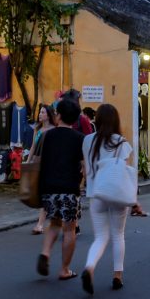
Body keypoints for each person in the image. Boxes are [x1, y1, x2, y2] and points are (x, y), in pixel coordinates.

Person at [79, 104, 134, 295]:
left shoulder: (87, 141)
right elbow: (125, 172)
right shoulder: (121, 142)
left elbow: (86, 168)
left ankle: (90, 267)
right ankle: (117, 275)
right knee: (118, 235)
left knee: (101, 237)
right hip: (117, 194)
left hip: (96, 193)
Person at [36, 99, 84, 280]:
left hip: (50, 187)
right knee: (69, 229)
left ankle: (46, 252)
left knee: (54, 223)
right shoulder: (79, 138)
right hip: (69, 189)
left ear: (60, 115)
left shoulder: (48, 136)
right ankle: (64, 269)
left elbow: (42, 162)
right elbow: (82, 165)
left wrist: (41, 189)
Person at [28, 104, 56, 235]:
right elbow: (33, 146)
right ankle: (47, 221)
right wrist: (28, 161)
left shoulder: (54, 130)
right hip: (37, 162)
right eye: (40, 112)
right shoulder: (38, 130)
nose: (40, 114)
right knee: (43, 194)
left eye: (43, 112)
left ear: (49, 115)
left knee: (46, 194)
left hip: (49, 164)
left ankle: (40, 224)